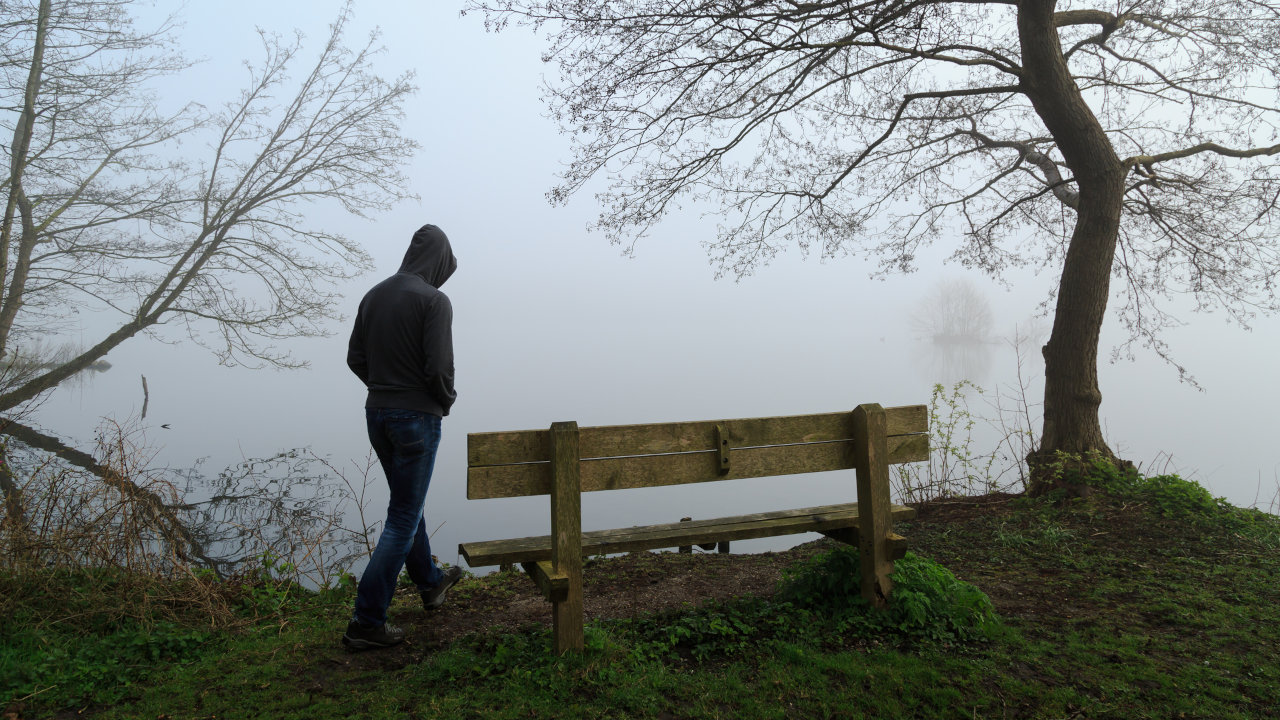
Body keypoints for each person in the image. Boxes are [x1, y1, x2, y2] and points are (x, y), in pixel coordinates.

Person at [341, 223, 463, 651]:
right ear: (440, 262)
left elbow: (355, 357)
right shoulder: (435, 301)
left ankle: (430, 583)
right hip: (416, 418)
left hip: (377, 414)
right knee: (402, 518)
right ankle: (366, 621)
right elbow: (438, 368)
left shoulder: (373, 294)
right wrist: (443, 401)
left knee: (407, 506)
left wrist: (383, 388)